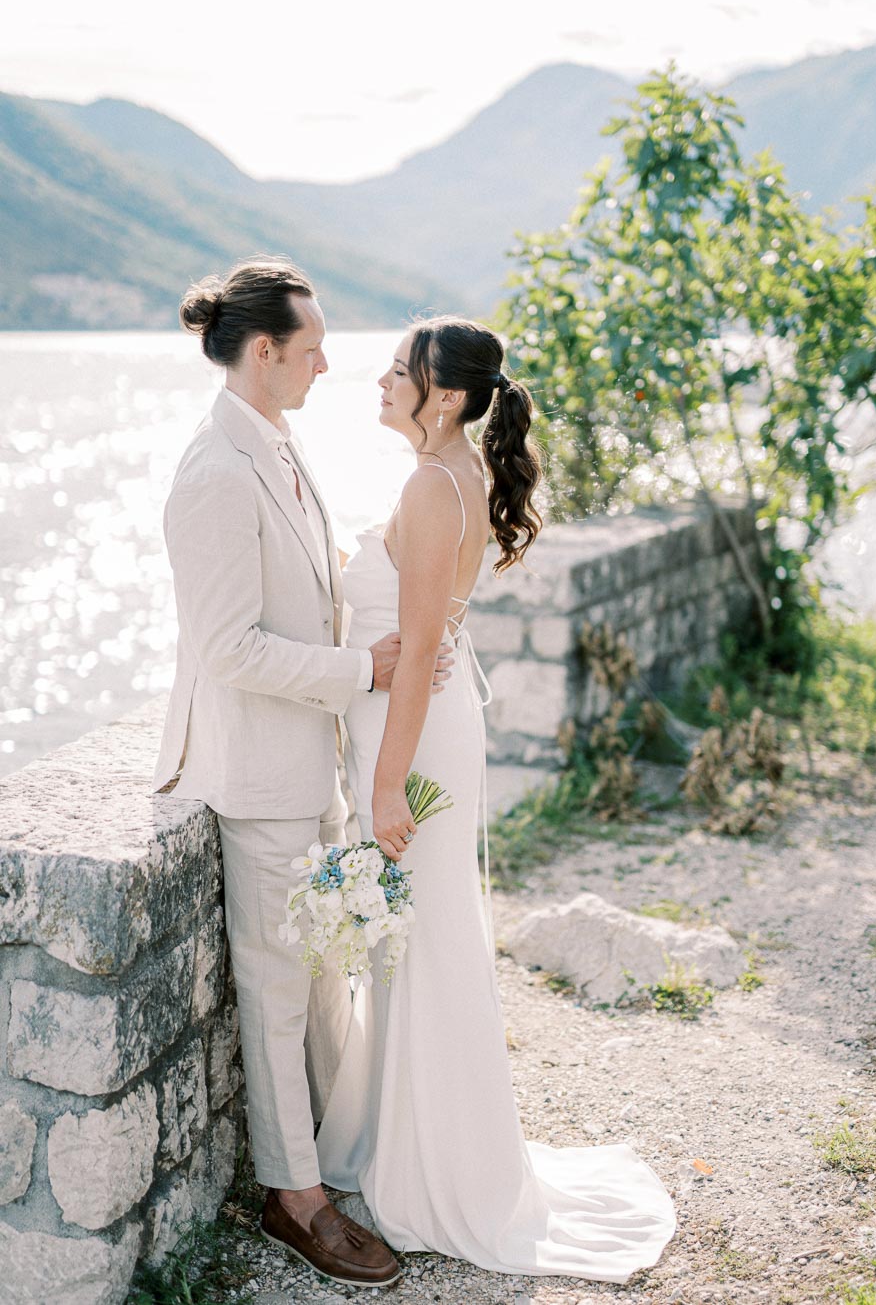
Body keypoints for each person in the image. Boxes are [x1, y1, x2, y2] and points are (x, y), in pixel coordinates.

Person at [315, 316, 677, 1282]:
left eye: (400, 371)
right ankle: (405, 1136)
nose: (382, 382)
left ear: (444, 396)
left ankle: (444, 1171)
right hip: (423, 723)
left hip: (415, 741)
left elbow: (423, 646)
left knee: (425, 940)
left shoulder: (433, 486)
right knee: (417, 935)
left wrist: (387, 785)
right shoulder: (451, 474)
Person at [152, 259, 453, 1289]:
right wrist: (359, 669)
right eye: (313, 346)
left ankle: (336, 1156)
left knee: (326, 978)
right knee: (279, 989)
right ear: (264, 349)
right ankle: (295, 1200)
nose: (329, 362)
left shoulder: (275, 444)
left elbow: (311, 594)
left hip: (310, 760)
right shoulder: (213, 473)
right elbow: (227, 647)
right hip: (260, 775)